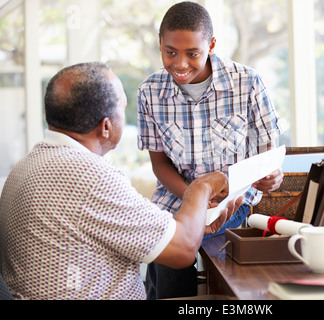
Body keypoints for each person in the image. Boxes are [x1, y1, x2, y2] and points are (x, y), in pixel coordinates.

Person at [0, 62, 242, 300]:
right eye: (122, 107)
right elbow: (183, 251)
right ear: (106, 126)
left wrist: (197, 225)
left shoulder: (25, 165)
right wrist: (201, 186)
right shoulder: (89, 177)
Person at [137, 1, 284, 299]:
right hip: (175, 197)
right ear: (160, 45)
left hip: (234, 200)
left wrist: (272, 177)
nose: (180, 64)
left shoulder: (247, 82)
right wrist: (194, 198)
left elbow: (269, 157)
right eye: (170, 52)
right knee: (166, 250)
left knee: (175, 248)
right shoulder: (149, 92)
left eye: (192, 53)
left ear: (212, 45)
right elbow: (159, 165)